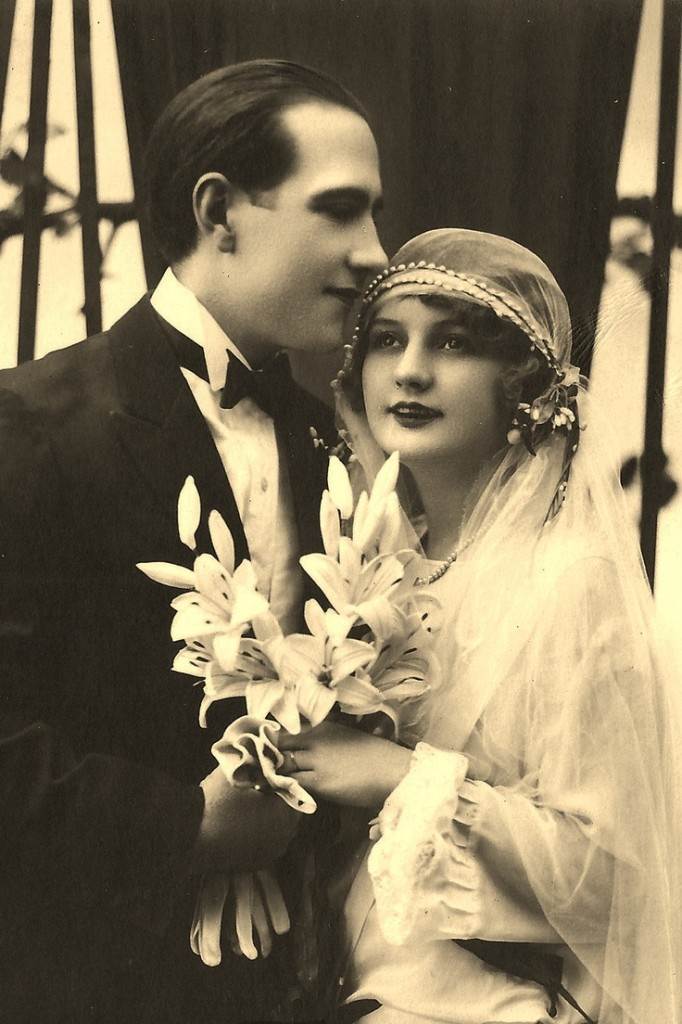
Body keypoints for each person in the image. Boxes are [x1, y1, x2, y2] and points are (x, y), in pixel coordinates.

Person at [0, 59, 385, 1022]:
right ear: (220, 213)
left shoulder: (326, 438)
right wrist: (192, 827)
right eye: (339, 210)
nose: (375, 251)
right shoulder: (29, 425)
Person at [278, 229, 682, 1024]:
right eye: (387, 340)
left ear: (523, 386)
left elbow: (613, 875)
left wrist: (398, 774)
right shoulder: (371, 566)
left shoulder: (567, 585)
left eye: (454, 342)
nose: (411, 370)